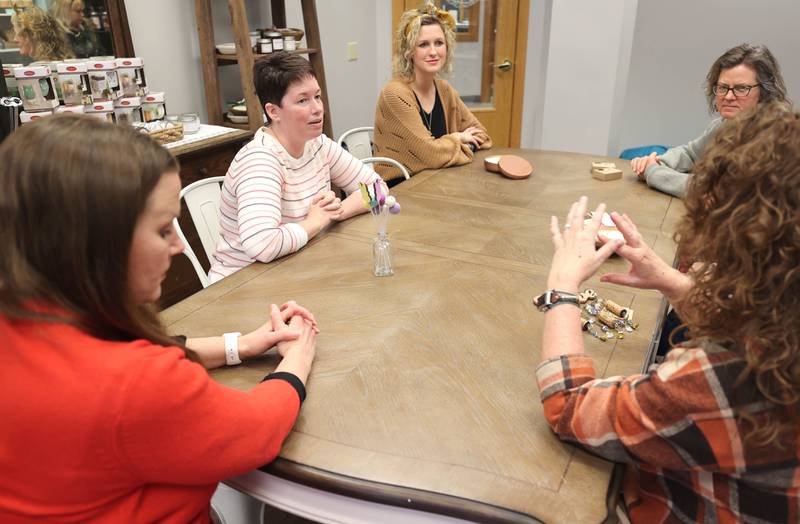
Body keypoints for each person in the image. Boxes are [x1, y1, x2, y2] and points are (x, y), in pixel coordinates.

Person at [0, 115, 319, 522]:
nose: (181, 246)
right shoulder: (136, 384)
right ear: (98, 244)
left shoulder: (27, 317)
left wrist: (239, 345)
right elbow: (256, 432)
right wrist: (298, 357)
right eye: (163, 228)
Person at [535, 102, 799, 522]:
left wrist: (562, 287)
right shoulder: (782, 320)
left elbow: (568, 407)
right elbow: (753, 324)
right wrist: (671, 280)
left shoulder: (718, 379)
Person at [208, 52, 384, 283]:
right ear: (273, 111)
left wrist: (335, 211)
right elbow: (262, 245)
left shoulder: (317, 144)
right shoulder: (260, 161)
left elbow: (378, 190)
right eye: (303, 100)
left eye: (317, 97)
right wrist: (315, 222)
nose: (318, 108)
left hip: (299, 266)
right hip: (244, 284)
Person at [630, 43, 788, 198]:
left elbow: (720, 191)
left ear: (765, 92)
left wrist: (654, 172)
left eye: (741, 88)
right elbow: (690, 154)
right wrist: (658, 161)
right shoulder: (723, 125)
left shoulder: (775, 137)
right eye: (723, 87)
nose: (728, 96)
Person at [372, 2, 492, 184]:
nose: (433, 52)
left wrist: (449, 147)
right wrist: (456, 138)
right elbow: (430, 154)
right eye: (423, 44)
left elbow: (482, 136)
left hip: (440, 180)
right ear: (409, 51)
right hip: (402, 189)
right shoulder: (394, 94)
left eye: (439, 43)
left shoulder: (444, 89)